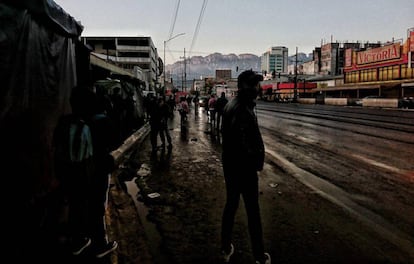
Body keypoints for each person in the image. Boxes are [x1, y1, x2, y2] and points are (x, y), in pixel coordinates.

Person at [54, 86, 118, 259]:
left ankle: (78, 241)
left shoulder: (65, 121)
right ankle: (100, 246)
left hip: (72, 172)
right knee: (97, 208)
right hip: (97, 172)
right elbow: (113, 142)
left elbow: (57, 148)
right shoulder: (101, 120)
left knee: (76, 205)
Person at [220, 70, 271, 264]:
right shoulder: (242, 110)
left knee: (231, 206)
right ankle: (259, 256)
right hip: (243, 169)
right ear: (246, 87)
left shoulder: (234, 105)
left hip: (231, 166)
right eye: (256, 85)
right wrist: (254, 162)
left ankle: (225, 247)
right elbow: (241, 143)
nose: (259, 88)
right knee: (253, 212)